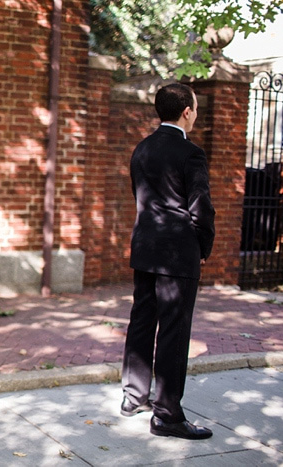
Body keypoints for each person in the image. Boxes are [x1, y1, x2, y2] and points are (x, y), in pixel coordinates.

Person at [120, 82, 216, 440]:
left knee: (142, 321)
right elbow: (201, 208)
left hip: (145, 247)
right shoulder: (190, 153)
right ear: (187, 112)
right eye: (195, 109)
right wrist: (202, 246)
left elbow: (141, 197)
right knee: (175, 331)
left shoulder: (142, 149)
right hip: (178, 253)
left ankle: (133, 397)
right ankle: (167, 414)